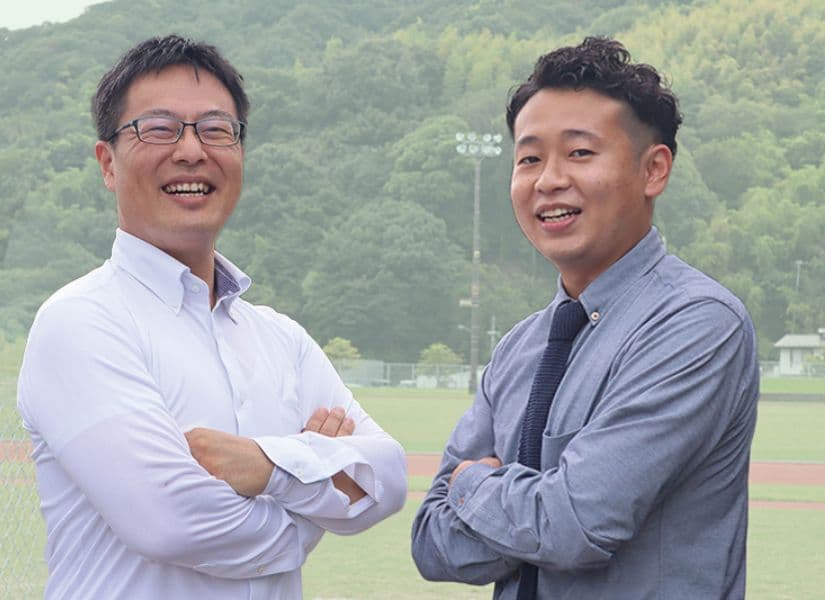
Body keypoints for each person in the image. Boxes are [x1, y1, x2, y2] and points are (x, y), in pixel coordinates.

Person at [17, 35, 406, 599]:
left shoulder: (281, 339)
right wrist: (315, 504)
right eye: (158, 128)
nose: (191, 150)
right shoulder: (81, 322)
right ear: (107, 163)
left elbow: (388, 477)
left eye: (215, 129)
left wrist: (267, 468)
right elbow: (171, 522)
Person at [411, 36, 758, 599]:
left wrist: (472, 484)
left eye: (579, 153)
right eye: (529, 158)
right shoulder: (520, 347)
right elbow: (431, 542)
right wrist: (535, 505)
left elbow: (577, 527)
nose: (548, 180)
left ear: (654, 170)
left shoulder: (696, 324)